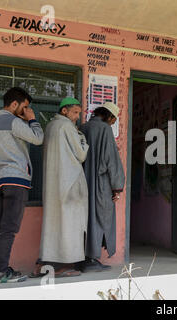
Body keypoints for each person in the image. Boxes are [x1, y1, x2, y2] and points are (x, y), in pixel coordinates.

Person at [0, 87, 44, 283]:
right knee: (9, 228)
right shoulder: (12, 121)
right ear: (14, 104)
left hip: (2, 180)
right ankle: (1, 272)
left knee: (2, 228)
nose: (25, 110)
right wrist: (32, 119)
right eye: (25, 106)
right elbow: (38, 138)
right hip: (17, 181)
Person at [32, 97, 89, 278]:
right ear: (64, 111)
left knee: (53, 226)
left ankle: (44, 264)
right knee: (70, 226)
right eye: (75, 112)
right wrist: (82, 138)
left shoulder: (49, 127)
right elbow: (81, 155)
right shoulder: (67, 127)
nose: (77, 117)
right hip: (69, 184)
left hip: (53, 185)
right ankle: (66, 265)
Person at [77, 102, 125, 272]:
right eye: (114, 120)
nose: (113, 123)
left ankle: (82, 257)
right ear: (109, 116)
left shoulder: (82, 127)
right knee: (99, 217)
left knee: (85, 219)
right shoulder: (104, 129)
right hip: (100, 183)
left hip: (82, 182)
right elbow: (111, 160)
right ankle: (91, 259)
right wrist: (117, 187)